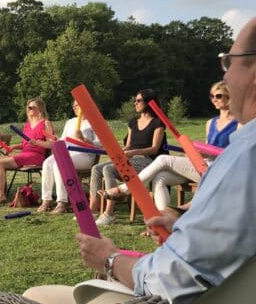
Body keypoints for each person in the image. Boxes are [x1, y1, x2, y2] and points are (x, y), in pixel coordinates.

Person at [23, 16, 256, 304]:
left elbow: (172, 279)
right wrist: (184, 223)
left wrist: (109, 260)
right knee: (112, 169)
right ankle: (104, 202)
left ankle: (114, 197)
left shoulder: (246, 156)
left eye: (228, 62)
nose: (226, 77)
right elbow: (230, 227)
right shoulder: (242, 155)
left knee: (35, 298)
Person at [101, 81, 238, 209]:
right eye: (212, 96)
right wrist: (194, 153)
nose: (214, 99)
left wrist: (208, 154)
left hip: (220, 170)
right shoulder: (210, 123)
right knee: (160, 177)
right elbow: (207, 148)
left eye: (218, 96)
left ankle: (123, 189)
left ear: (230, 97)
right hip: (202, 166)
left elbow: (237, 153)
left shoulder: (238, 123)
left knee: (163, 159)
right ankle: (163, 220)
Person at [88, 89, 167, 225]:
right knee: (96, 168)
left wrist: (133, 152)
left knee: (108, 169)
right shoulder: (133, 122)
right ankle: (93, 210)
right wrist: (116, 151)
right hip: (131, 158)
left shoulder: (158, 123)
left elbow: (154, 148)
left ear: (149, 102)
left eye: (138, 100)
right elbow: (128, 145)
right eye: (135, 101)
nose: (135, 103)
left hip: (148, 161)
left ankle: (109, 213)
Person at [0, 97, 54, 206]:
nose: (29, 109)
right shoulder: (27, 125)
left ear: (40, 109)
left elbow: (51, 144)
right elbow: (25, 145)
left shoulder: (45, 123)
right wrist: (13, 147)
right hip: (25, 154)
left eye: (32, 107)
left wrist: (37, 142)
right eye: (28, 107)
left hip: (36, 156)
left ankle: (1, 195)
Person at [37, 100, 100, 214]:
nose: (75, 107)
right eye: (74, 105)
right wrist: (56, 140)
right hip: (68, 153)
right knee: (47, 163)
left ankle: (62, 202)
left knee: (59, 164)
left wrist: (84, 139)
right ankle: (46, 200)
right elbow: (63, 140)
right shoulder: (70, 122)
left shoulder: (94, 122)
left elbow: (100, 144)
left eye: (77, 105)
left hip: (85, 156)